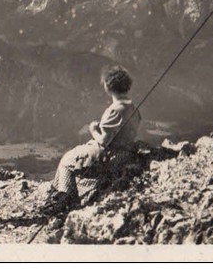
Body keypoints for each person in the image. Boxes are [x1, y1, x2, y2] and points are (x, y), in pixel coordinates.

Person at [42, 65, 140, 215]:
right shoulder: (133, 107)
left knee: (68, 160)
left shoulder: (115, 109)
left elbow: (104, 141)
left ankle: (64, 199)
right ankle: (66, 196)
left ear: (108, 86)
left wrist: (93, 130)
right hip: (124, 152)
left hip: (110, 154)